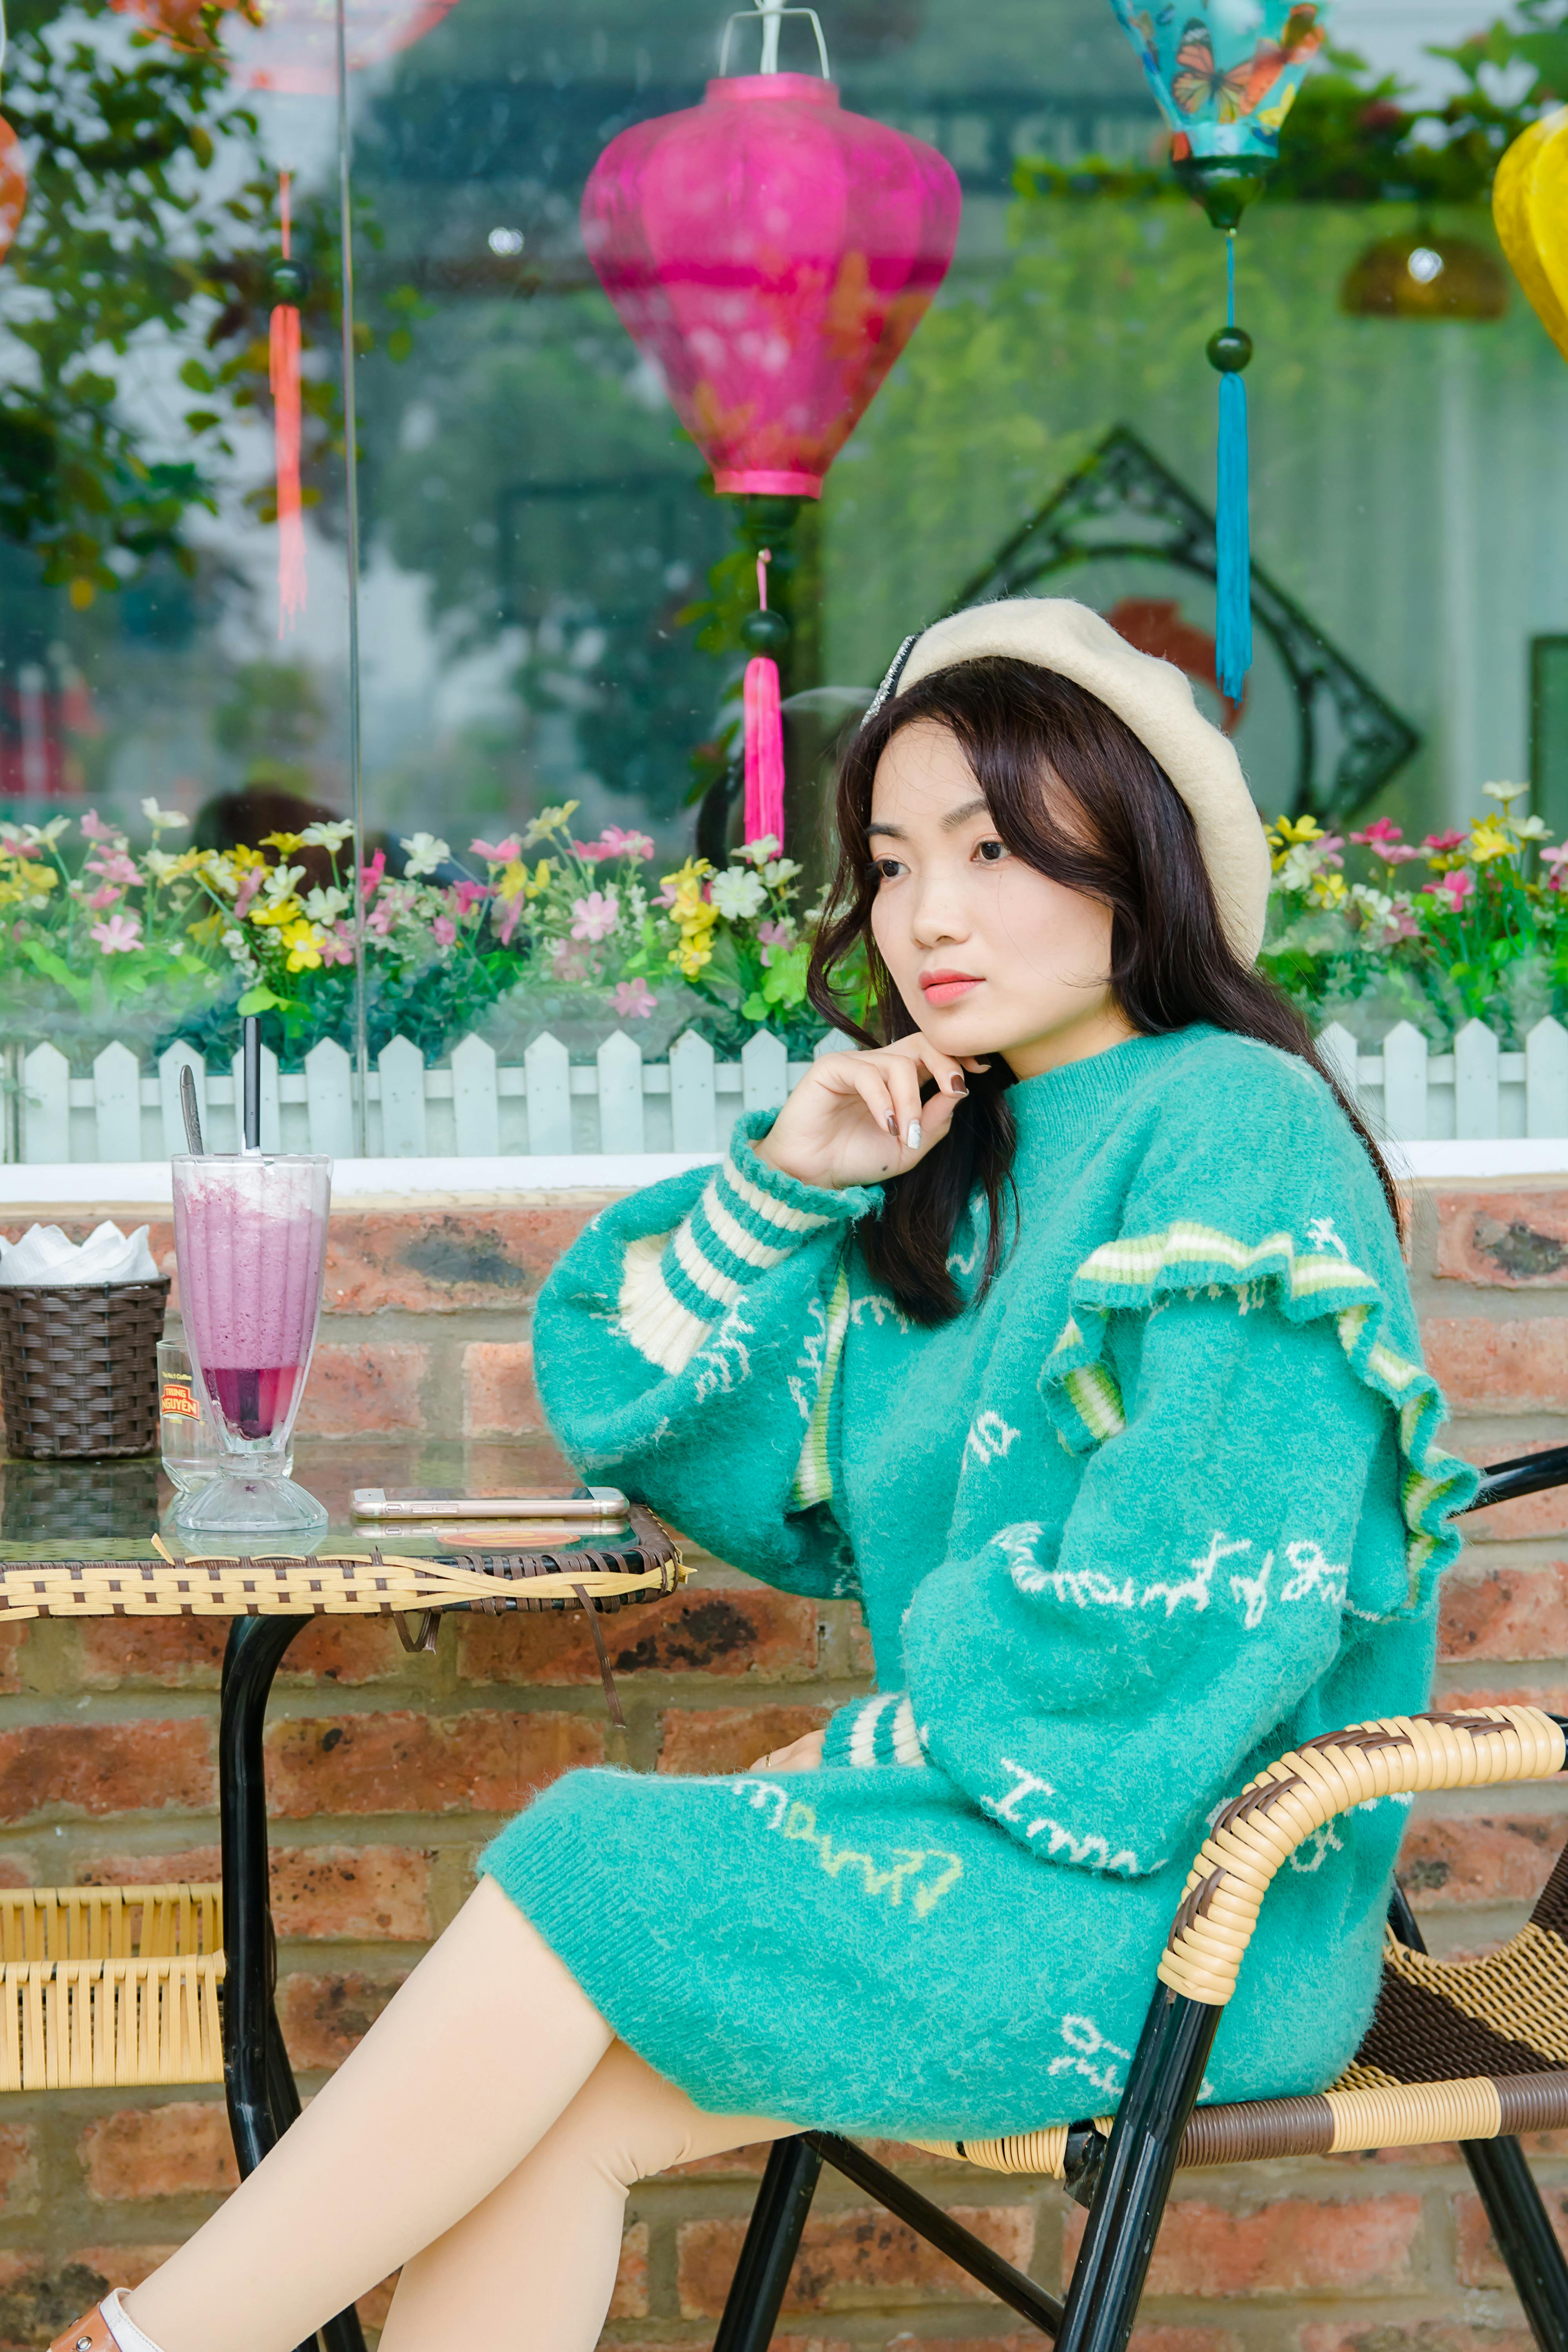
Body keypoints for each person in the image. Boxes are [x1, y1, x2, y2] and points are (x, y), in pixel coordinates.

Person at [51, 599, 1475, 2352]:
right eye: (888, 863)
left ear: (1138, 850)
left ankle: (146, 2346)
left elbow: (1201, 1605)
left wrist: (891, 1738)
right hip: (989, 1850)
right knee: (554, 2127)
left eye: (991, 847)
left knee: (583, 1864)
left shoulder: (1233, 1122)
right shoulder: (969, 1160)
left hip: (1190, 1903)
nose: (928, 914)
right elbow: (644, 1403)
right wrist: (795, 1184)